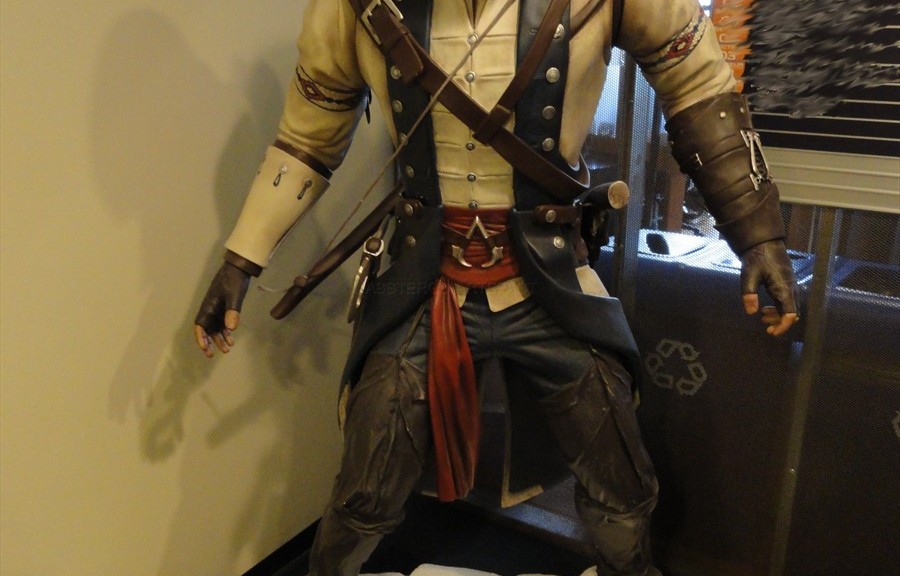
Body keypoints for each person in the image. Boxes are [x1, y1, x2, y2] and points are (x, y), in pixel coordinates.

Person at [193, 1, 799, 574]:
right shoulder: (352, 9)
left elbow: (701, 93)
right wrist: (240, 262)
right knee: (367, 482)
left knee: (620, 477)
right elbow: (307, 138)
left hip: (552, 277)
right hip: (424, 278)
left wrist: (759, 236)